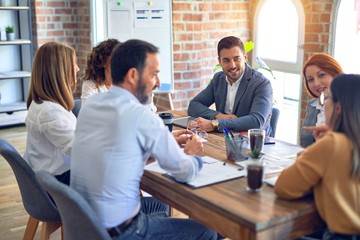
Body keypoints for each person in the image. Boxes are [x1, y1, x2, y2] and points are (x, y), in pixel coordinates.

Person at [71, 39, 217, 240]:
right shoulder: (142, 116)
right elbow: (185, 172)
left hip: (85, 225)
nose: (157, 82)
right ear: (132, 75)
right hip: (123, 232)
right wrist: (191, 153)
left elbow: (117, 146)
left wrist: (159, 143)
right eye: (154, 74)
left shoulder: (91, 104)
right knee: (207, 232)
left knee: (159, 207)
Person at [275, 74, 360, 239]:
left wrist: (308, 153)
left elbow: (284, 187)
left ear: (338, 108)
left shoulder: (332, 144)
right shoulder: (349, 141)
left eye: (326, 98)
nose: (323, 103)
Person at [187, 36, 273, 135]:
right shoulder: (218, 79)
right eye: (226, 60)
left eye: (236, 59)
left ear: (245, 57)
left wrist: (215, 124)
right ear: (220, 61)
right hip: (226, 137)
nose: (232, 65)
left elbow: (256, 121)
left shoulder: (261, 84)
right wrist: (218, 116)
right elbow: (194, 105)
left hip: (256, 144)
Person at [24, 42, 79, 185]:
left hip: (54, 176)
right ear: (60, 71)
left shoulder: (44, 103)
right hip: (58, 184)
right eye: (73, 64)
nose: (77, 69)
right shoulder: (49, 112)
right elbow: (80, 151)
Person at [81, 38, 157, 112]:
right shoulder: (91, 84)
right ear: (103, 61)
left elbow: (149, 110)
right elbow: (87, 112)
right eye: (115, 57)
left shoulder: (128, 81)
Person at [300, 53, 343, 147]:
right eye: (310, 80)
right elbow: (305, 144)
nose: (316, 84)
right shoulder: (313, 105)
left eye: (321, 75)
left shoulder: (351, 105)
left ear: (336, 73)